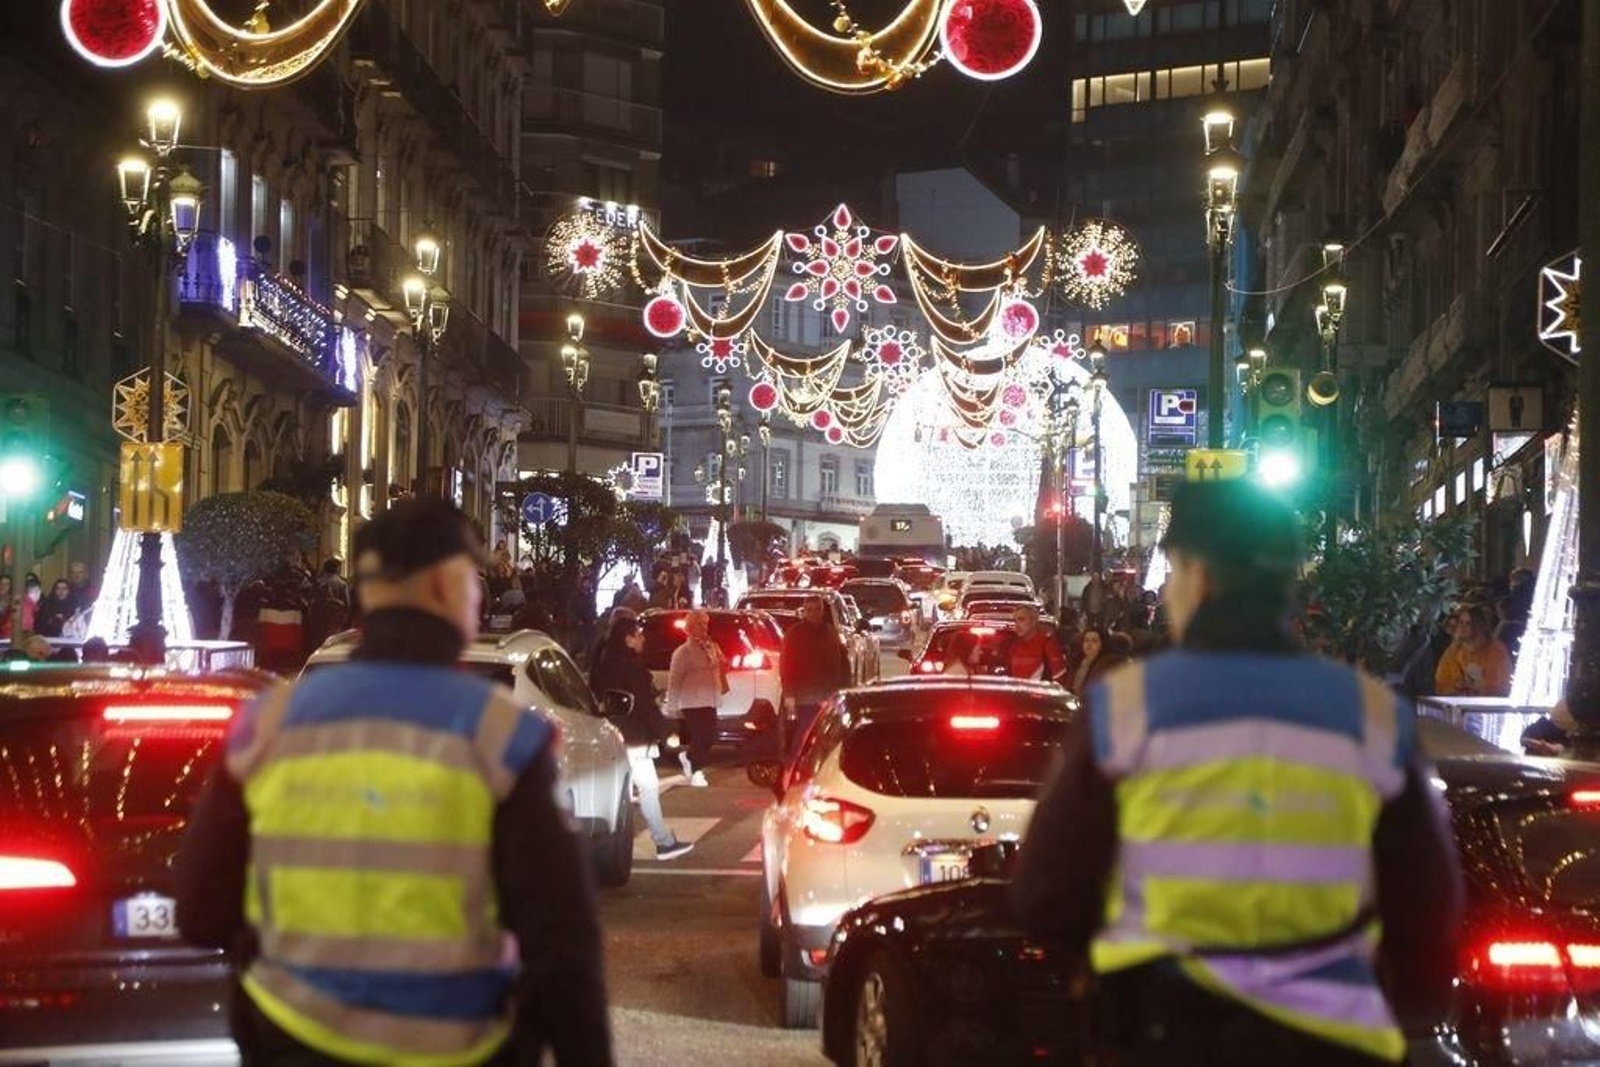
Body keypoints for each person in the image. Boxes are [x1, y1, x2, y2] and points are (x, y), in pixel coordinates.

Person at [1011, 479, 1461, 1066]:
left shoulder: (1125, 709)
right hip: (1334, 1043)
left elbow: (1046, 895)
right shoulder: (1371, 715)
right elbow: (1429, 903)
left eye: (1170, 572)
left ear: (1195, 572)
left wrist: (1109, 979)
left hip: (1167, 1036)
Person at [173, 498, 612, 1065]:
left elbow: (200, 914)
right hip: (455, 1046)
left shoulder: (270, 724)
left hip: (292, 1039)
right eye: (472, 579)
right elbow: (563, 947)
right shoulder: (499, 736)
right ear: (445, 588)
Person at [591, 616, 693, 860]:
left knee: (627, 789)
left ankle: (642, 841)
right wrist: (667, 731)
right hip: (634, 737)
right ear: (628, 639)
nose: (643, 638)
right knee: (646, 787)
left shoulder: (604, 662)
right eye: (638, 634)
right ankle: (661, 842)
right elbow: (645, 707)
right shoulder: (631, 667)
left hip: (611, 734)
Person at [778, 597, 850, 759]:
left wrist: (844, 690)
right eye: (809, 610)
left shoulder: (831, 633)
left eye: (816, 609)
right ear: (804, 612)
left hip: (829, 697)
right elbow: (786, 666)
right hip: (805, 699)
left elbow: (843, 663)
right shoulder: (794, 634)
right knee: (802, 739)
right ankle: (795, 771)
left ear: (822, 612)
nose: (813, 614)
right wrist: (789, 695)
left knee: (828, 739)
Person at [664, 609, 723, 786]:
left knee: (710, 737)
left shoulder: (711, 647)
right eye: (700, 624)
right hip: (692, 701)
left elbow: (717, 669)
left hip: (710, 699)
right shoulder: (683, 652)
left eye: (705, 624)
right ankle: (697, 771)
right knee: (699, 736)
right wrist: (672, 705)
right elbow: (674, 679)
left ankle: (688, 756)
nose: (704, 628)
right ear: (690, 628)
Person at [1434, 602, 1512, 697]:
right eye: (1461, 622)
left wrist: (1479, 685)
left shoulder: (1496, 650)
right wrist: (1457, 685)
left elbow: (1503, 686)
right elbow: (1441, 684)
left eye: (1468, 623)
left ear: (1478, 625)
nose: (1462, 627)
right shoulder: (1453, 650)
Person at [1000, 604, 1068, 684]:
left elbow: (1060, 677)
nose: (1017, 625)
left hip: (1040, 694)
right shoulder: (1014, 646)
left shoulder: (1047, 644)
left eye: (1021, 619)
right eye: (1015, 621)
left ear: (1034, 621)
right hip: (1017, 695)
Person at [1070, 626, 1122, 694]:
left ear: (1102, 644)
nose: (1089, 644)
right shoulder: (1077, 662)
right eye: (1086, 640)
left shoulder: (1106, 665)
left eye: (1094, 641)